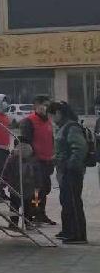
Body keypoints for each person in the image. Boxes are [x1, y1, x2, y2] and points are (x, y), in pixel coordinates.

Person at [48, 101, 88, 244]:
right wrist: (56, 158)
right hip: (64, 171)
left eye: (52, 116)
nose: (51, 119)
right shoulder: (63, 127)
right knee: (66, 201)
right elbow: (63, 149)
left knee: (73, 202)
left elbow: (80, 148)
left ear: (58, 113)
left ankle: (78, 235)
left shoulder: (71, 127)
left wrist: (71, 165)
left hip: (71, 172)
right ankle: (68, 230)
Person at [19, 95, 56, 225]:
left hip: (47, 161)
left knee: (44, 189)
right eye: (43, 105)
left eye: (48, 105)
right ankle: (31, 215)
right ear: (36, 106)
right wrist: (31, 160)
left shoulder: (48, 121)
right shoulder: (28, 122)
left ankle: (41, 213)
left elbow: (51, 140)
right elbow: (25, 144)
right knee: (35, 191)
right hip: (35, 163)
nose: (46, 108)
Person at [2, 131, 37, 230]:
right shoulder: (32, 157)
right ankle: (28, 223)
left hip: (14, 186)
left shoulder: (12, 157)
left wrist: (2, 184)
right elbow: (37, 172)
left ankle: (13, 223)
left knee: (14, 206)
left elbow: (6, 171)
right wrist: (38, 184)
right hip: (29, 187)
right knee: (28, 206)